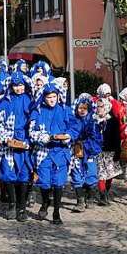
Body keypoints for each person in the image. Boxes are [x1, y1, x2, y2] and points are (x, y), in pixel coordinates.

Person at [28, 82, 75, 224]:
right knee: (44, 182)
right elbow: (32, 132)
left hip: (61, 151)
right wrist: (46, 137)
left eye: (54, 96)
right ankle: (45, 202)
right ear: (44, 98)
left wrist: (68, 136)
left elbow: (74, 128)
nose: (52, 99)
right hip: (44, 151)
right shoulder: (37, 111)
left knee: (59, 183)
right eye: (49, 97)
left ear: (58, 96)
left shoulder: (66, 110)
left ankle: (56, 212)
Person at [0, 72, 33, 222]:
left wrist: (31, 137)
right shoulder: (5, 101)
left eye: (21, 85)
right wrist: (4, 136)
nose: (18, 88)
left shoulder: (30, 100)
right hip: (8, 142)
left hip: (25, 142)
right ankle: (12, 204)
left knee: (24, 175)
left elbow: (35, 120)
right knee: (7, 174)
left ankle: (22, 207)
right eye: (15, 85)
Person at [69, 94, 102, 212]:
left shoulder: (93, 122)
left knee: (91, 174)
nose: (82, 110)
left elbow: (97, 139)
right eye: (80, 108)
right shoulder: (73, 120)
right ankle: (80, 201)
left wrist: (86, 145)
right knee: (76, 174)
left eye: (84, 108)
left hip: (89, 152)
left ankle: (90, 198)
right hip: (76, 152)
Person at [93, 95, 123, 205]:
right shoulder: (93, 120)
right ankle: (102, 196)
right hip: (98, 151)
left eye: (101, 106)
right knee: (101, 174)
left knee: (110, 174)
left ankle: (106, 190)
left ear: (106, 107)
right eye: (97, 106)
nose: (99, 108)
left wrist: (118, 151)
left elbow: (117, 137)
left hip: (110, 151)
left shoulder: (113, 120)